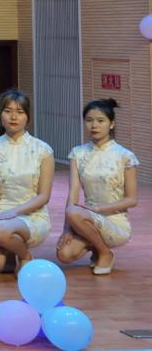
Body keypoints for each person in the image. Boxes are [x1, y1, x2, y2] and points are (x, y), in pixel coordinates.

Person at [57, 98, 140, 275]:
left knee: (74, 211)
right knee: (64, 254)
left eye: (100, 120)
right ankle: (96, 247)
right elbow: (73, 192)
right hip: (86, 219)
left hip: (115, 222)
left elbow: (132, 200)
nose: (94, 125)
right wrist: (67, 229)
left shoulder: (125, 156)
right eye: (89, 120)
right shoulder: (78, 153)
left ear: (112, 124)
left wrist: (97, 209)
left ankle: (104, 252)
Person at [0, 91, 53, 277]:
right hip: (0, 219)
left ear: (27, 117)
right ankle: (11, 253)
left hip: (31, 215)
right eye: (8, 111)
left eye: (20, 112)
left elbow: (44, 196)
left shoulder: (43, 150)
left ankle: (25, 256)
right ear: (0, 115)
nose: (13, 117)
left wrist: (15, 212)